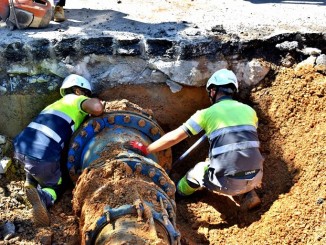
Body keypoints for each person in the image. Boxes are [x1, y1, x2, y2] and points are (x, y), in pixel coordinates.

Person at [128, 68, 264, 210]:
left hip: (228, 183)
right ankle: (248, 194)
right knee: (240, 159)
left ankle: (176, 195)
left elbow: (174, 137)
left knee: (198, 171)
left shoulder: (206, 114)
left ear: (213, 91)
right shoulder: (250, 111)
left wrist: (147, 149)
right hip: (256, 177)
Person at [13, 74, 104, 227]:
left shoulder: (53, 105)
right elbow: (96, 108)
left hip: (20, 147)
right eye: (87, 94)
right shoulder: (76, 99)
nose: (87, 97)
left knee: (38, 162)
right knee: (61, 182)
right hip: (42, 156)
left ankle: (31, 181)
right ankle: (44, 196)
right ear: (77, 91)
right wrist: (99, 103)